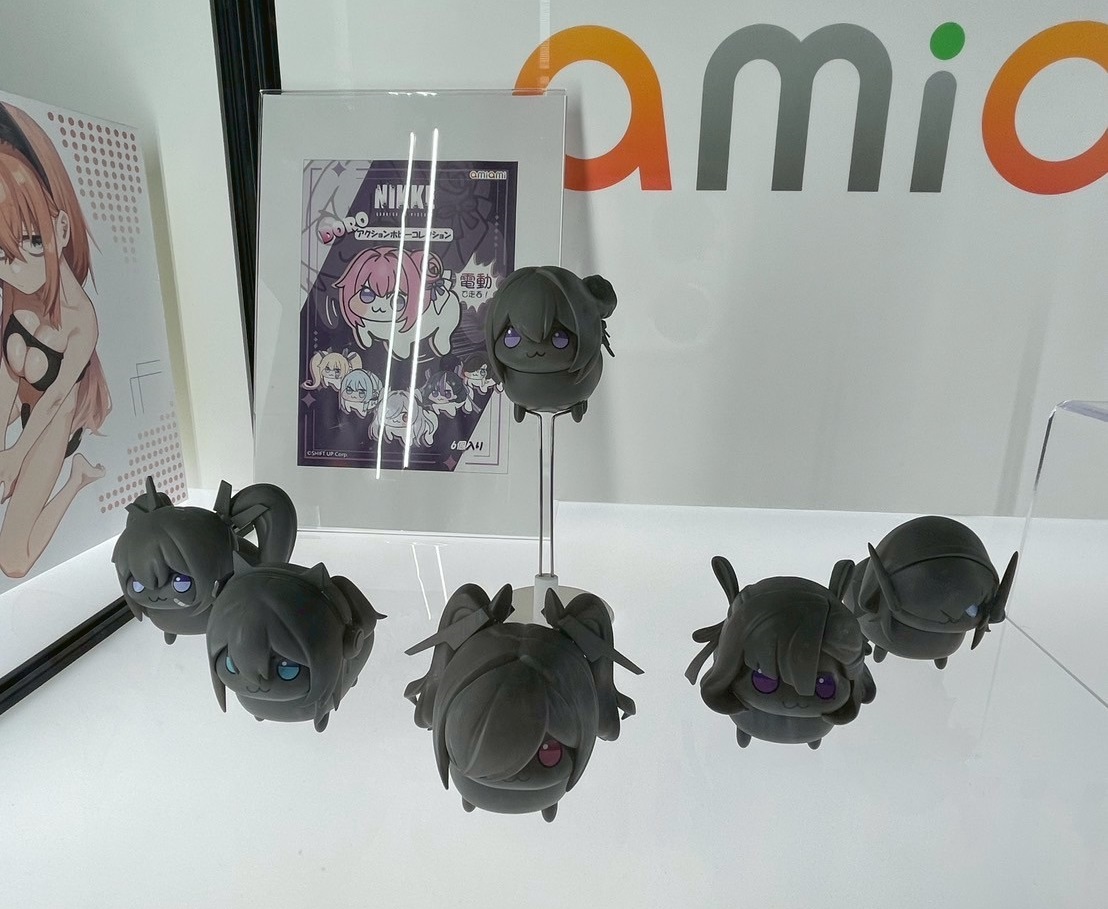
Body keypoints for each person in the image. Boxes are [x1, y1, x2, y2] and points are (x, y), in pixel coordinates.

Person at [0, 101, 110, 577]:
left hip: (52, 422)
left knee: (13, 562)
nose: (15, 268)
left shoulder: (82, 320)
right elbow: (6, 380)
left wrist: (17, 455)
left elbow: (55, 398)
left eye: (30, 242)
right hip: (18, 407)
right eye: (1, 254)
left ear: (61, 228)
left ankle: (77, 479)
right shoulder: (18, 294)